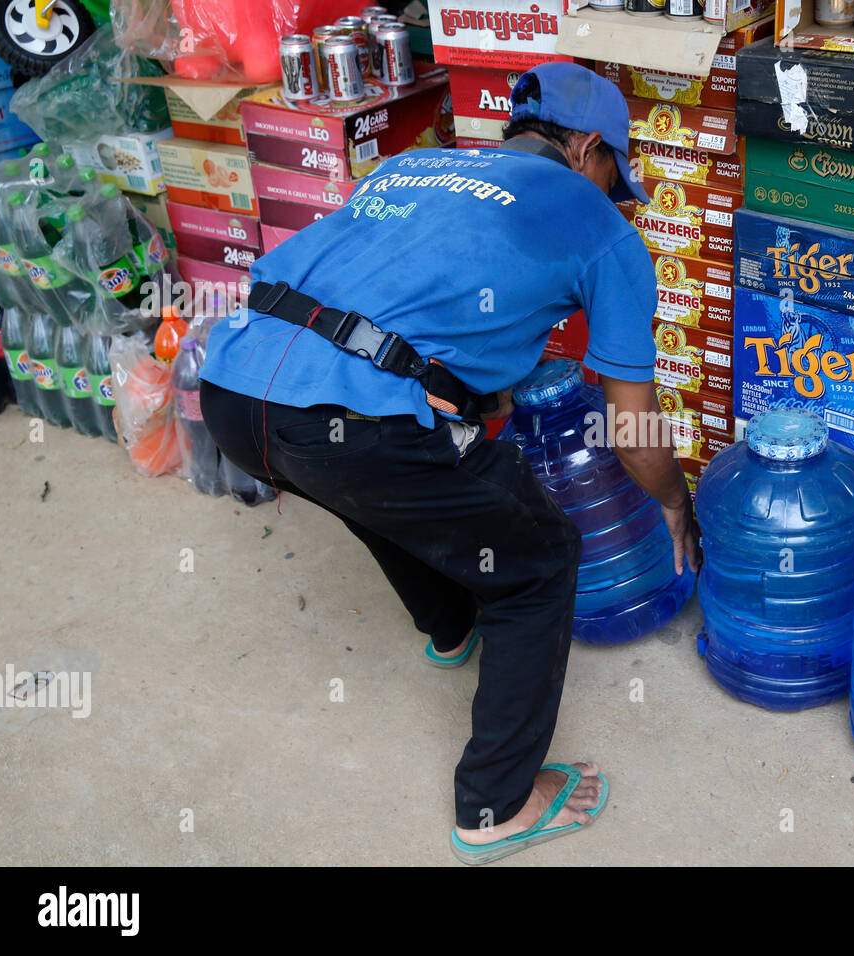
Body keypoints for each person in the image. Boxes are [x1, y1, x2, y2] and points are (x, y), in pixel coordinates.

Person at [197, 63, 698, 864]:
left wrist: (466, 395)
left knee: (381, 481)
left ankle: (450, 627)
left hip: (230, 389)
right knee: (538, 558)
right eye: (614, 178)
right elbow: (631, 427)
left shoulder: (415, 165)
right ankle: (497, 805)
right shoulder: (599, 226)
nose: (613, 195)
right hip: (353, 424)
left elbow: (389, 312)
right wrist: (676, 503)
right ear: (590, 150)